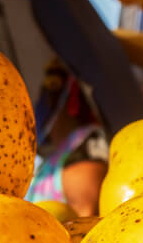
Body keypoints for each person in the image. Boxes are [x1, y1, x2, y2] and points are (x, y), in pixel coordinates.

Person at [25, 59, 108, 216]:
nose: (41, 104)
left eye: (48, 97)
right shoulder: (53, 155)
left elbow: (85, 213)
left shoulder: (87, 141)